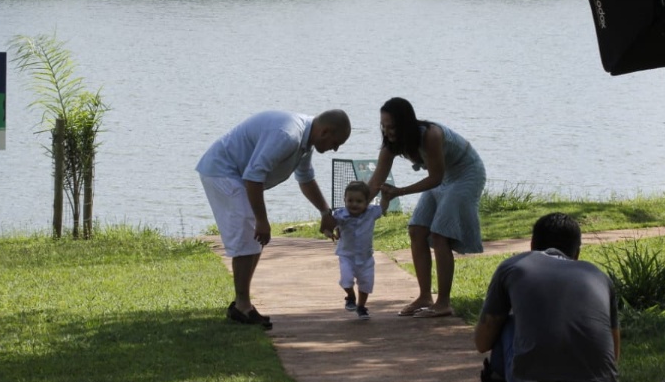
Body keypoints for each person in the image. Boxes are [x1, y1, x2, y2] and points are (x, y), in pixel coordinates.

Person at [456, 213, 620, 382]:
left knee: (505, 326)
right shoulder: (599, 275)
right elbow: (614, 353)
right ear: (577, 252)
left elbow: (483, 342)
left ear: (531, 244)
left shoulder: (513, 267)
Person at [197, 109, 351, 329]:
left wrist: (325, 213)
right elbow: (253, 175)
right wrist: (262, 220)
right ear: (325, 131)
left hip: (238, 175)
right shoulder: (288, 135)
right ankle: (242, 307)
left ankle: (243, 305)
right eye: (336, 143)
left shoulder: (305, 141)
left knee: (254, 241)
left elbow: (305, 179)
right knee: (246, 240)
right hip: (223, 171)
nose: (334, 148)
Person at [366, 97, 485, 318]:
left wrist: (400, 191)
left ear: (405, 123)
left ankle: (443, 303)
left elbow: (435, 178)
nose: (387, 131)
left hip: (466, 173)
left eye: (392, 126)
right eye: (383, 126)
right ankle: (424, 296)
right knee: (416, 230)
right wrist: (351, 211)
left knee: (440, 234)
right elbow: (374, 183)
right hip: (444, 175)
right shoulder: (391, 143)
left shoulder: (431, 135)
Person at [332, 180, 385, 319]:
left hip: (366, 257)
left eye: (359, 201)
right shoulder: (340, 214)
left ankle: (361, 307)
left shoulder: (371, 213)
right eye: (350, 200)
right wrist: (330, 230)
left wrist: (386, 197)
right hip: (346, 255)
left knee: (366, 283)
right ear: (344, 200)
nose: (354, 204)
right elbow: (330, 223)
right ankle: (350, 296)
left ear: (367, 202)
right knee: (346, 279)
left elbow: (382, 209)